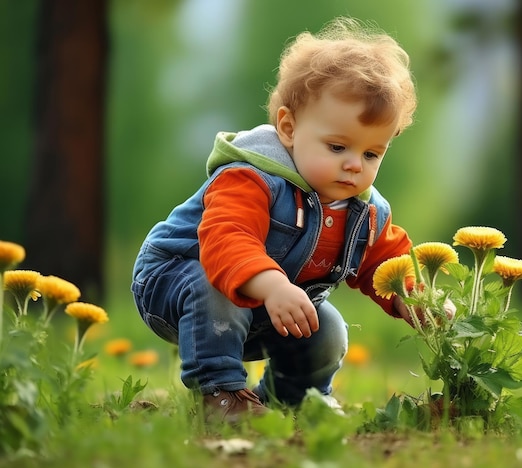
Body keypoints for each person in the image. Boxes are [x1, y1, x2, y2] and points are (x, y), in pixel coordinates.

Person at [131, 17, 418, 423]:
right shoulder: (250, 178)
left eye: (372, 154)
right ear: (288, 127)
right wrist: (271, 284)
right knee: (215, 286)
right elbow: (226, 239)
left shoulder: (364, 211)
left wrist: (414, 297)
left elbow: (385, 261)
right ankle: (221, 396)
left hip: (267, 305)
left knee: (327, 326)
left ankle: (294, 399)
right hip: (176, 283)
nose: (354, 165)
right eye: (337, 146)